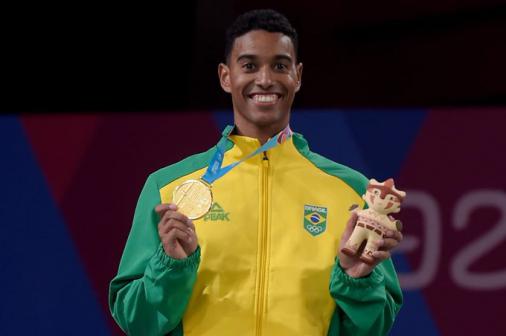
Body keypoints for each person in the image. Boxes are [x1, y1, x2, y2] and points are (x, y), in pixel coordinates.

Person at [109, 9, 403, 336]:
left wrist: (357, 281)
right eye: (249, 65)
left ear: (298, 75)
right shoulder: (168, 187)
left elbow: (375, 327)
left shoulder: (351, 191)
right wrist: (172, 268)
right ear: (225, 76)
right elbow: (136, 322)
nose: (265, 79)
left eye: (280, 65)